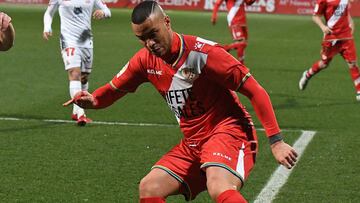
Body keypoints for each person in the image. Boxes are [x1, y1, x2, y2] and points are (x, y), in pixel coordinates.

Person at [64, 1, 298, 202]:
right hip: (194, 142)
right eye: (142, 39)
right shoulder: (145, 61)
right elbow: (113, 90)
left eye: (153, 34)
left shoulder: (203, 53)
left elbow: (255, 90)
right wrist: (93, 100)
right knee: (149, 187)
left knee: (219, 186)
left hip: (229, 131)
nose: (149, 43)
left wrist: (276, 141)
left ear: (167, 22)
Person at [43, 0, 111, 125]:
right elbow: (49, 13)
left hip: (86, 41)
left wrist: (103, 13)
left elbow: (108, 12)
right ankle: (81, 114)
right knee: (74, 73)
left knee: (84, 78)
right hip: (68, 40)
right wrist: (47, 27)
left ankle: (76, 112)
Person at [299, 0, 360, 101]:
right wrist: (323, 27)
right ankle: (307, 74)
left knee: (353, 63)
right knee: (324, 63)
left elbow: (345, 11)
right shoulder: (323, 0)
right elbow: (315, 16)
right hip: (331, 37)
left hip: (346, 36)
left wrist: (350, 21)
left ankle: (359, 91)